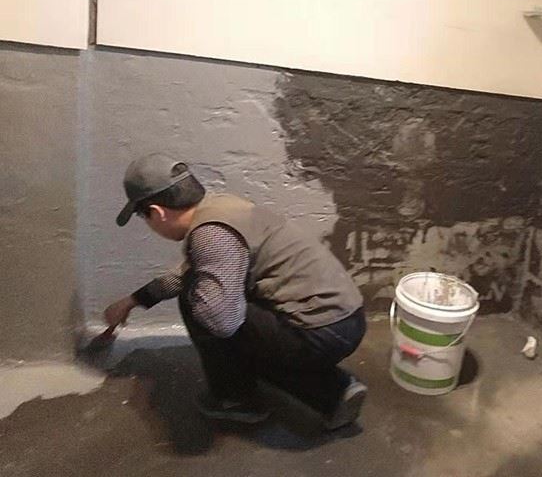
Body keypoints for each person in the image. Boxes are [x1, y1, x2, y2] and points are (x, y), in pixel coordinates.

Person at [103, 152, 367, 429]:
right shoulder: (221, 208)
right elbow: (187, 273)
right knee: (218, 300)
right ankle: (335, 393)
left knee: (202, 307)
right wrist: (132, 301)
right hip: (347, 318)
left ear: (157, 212)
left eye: (143, 217)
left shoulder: (211, 235)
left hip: (320, 332)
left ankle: (236, 400)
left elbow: (222, 322)